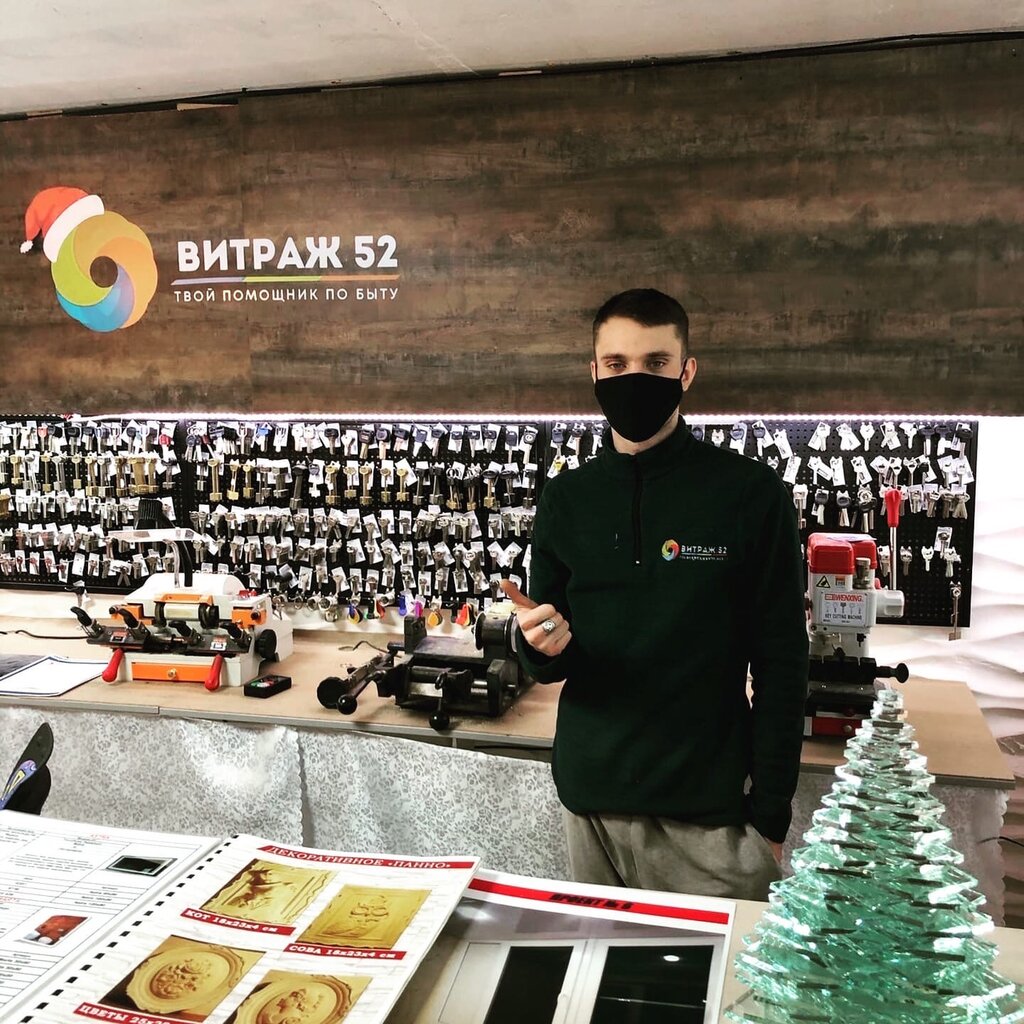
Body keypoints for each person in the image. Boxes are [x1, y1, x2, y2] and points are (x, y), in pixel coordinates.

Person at [501, 288, 808, 902]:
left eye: (655, 363)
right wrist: (537, 644)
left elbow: (782, 663)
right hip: (591, 805)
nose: (633, 379)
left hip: (712, 819)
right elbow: (552, 651)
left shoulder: (750, 495)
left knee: (722, 969)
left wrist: (771, 814)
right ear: (593, 372)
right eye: (616, 364)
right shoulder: (567, 500)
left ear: (686, 372)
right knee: (600, 964)